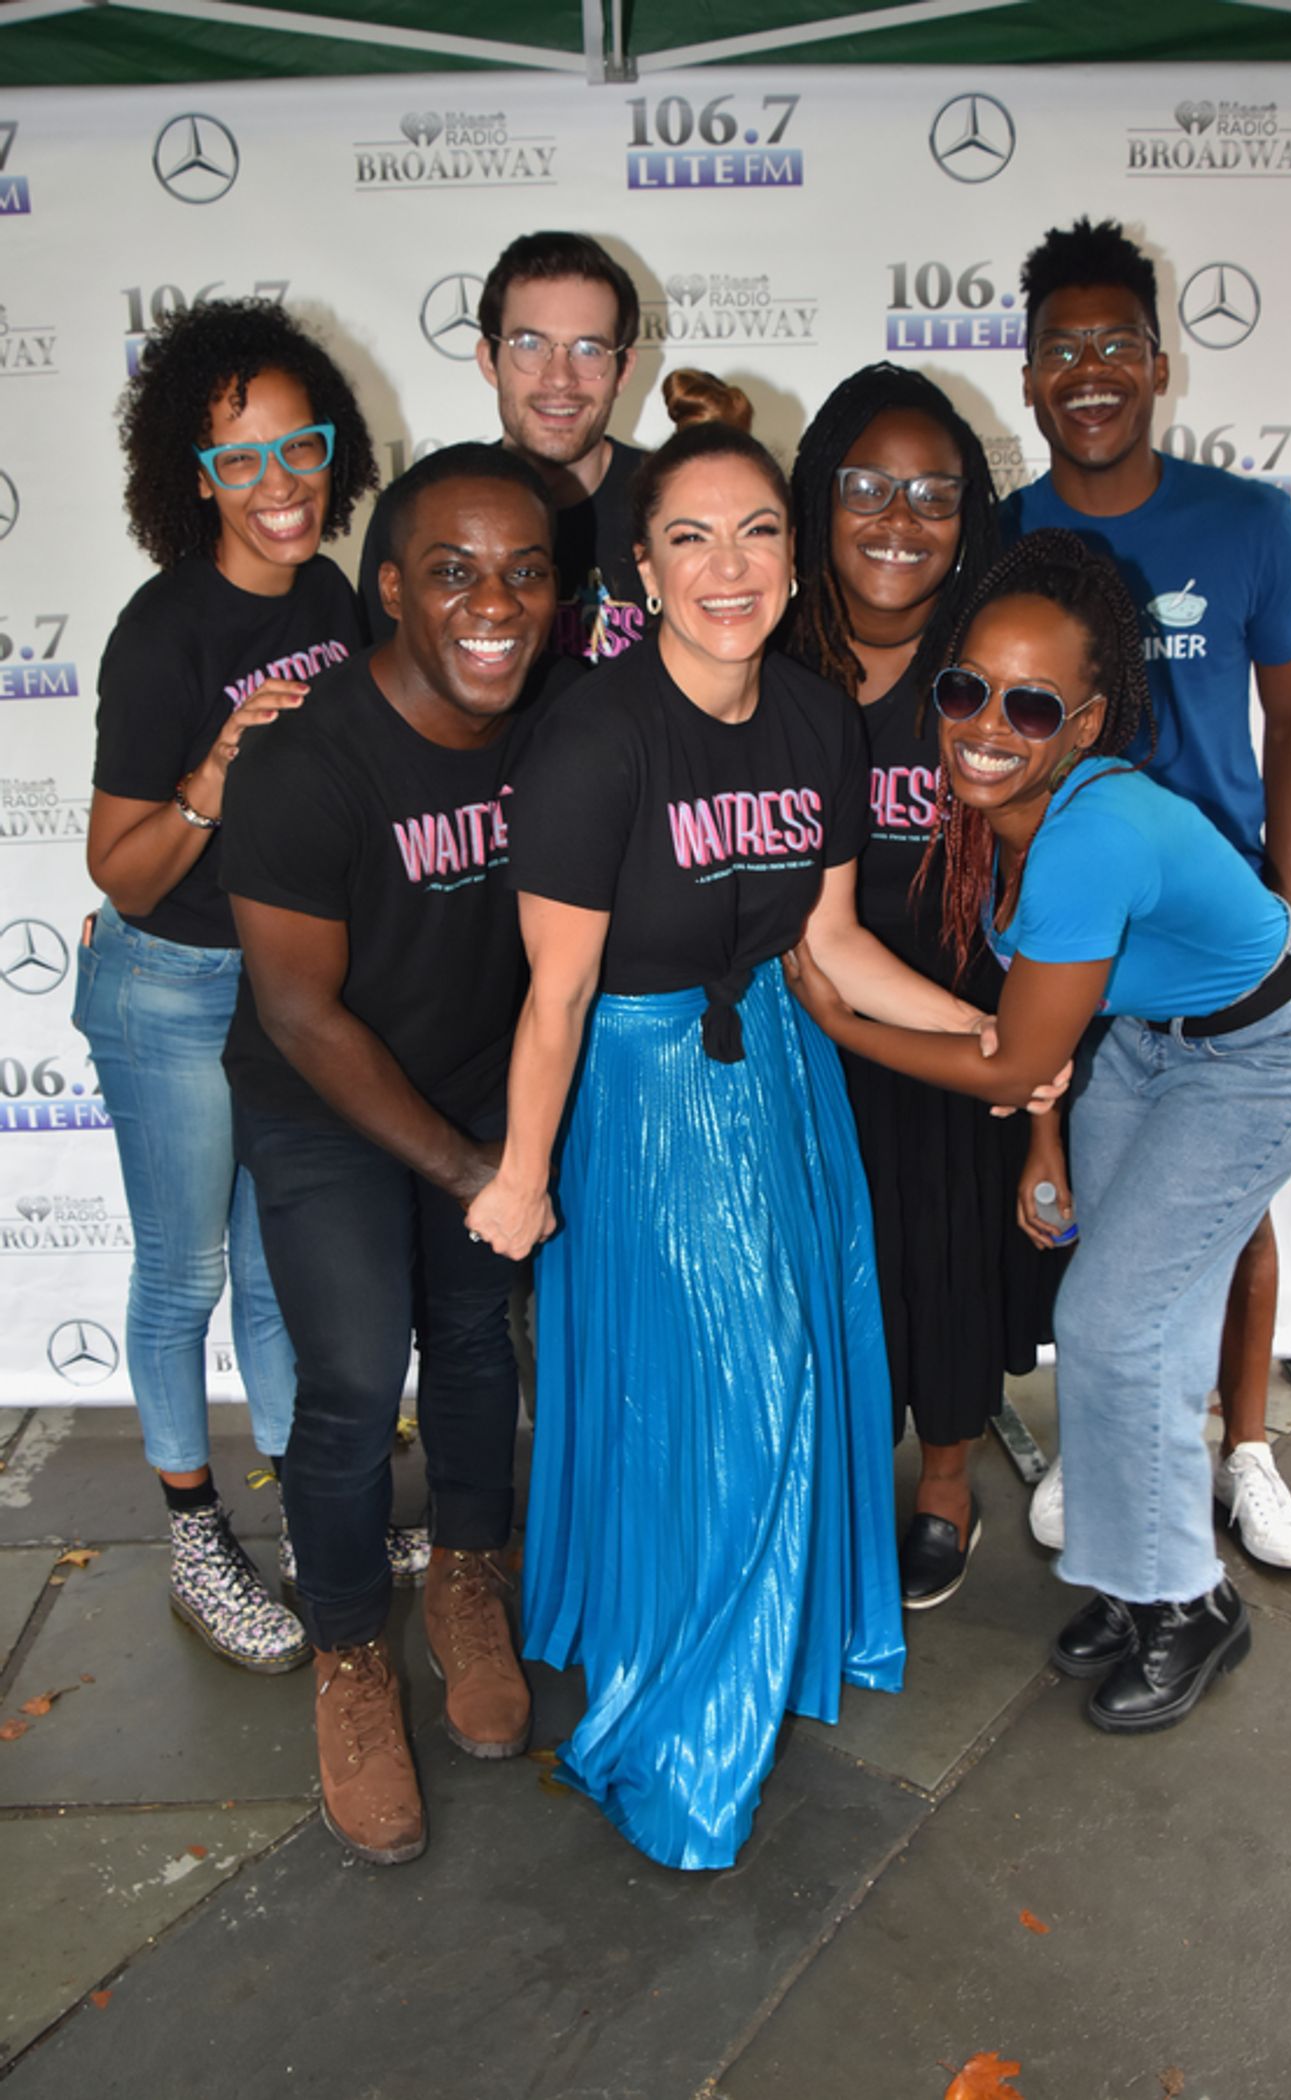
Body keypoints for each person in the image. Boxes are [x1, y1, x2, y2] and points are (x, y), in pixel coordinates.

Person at [463, 373, 1031, 1870]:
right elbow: (557, 999)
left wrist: (980, 1028)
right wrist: (522, 1176)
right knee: (741, 1387)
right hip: (645, 1104)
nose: (733, 568)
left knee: (792, 1368)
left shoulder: (814, 722)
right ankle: (686, 1705)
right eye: (694, 538)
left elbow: (831, 946)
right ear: (641, 571)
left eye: (761, 531)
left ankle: (756, 1632)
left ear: (793, 553)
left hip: (780, 1082)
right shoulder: (593, 742)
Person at [786, 530, 1291, 1735]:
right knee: (1108, 1318)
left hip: (1265, 1050)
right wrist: (1043, 1149)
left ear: (1087, 725)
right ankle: (1126, 1577)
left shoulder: (1089, 830)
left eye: (1030, 704)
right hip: (1151, 1042)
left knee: (1112, 1319)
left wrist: (833, 1014)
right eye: (963, 689)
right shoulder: (989, 804)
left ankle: (1189, 1605)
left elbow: (1015, 1053)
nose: (984, 723)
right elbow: (1044, 1029)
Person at [221, 445, 575, 1865]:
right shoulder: (307, 765)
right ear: (388, 592)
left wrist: (510, 1149)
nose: (493, 603)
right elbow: (302, 1015)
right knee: (362, 1376)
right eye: (452, 572)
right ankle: (353, 1655)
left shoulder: (558, 725)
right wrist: (474, 1175)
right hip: (326, 1102)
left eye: (524, 570)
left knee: (479, 1338)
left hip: (481, 1086)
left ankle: (469, 1580)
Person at [1003, 217, 1291, 1570]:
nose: (1090, 371)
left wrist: (1285, 894)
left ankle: (1243, 1447)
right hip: (1076, 944)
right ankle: (1111, 1438)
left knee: (1228, 1206)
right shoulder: (1009, 532)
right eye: (1060, 349)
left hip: (1209, 945)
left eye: (1114, 344)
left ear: (1157, 363)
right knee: (1090, 1200)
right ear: (1027, 376)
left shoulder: (1249, 523)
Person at [74, 298, 377, 1674]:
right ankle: (195, 1535)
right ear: (196, 478)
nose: (280, 485)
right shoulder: (162, 635)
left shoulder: (329, 595)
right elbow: (123, 873)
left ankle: (313, 1524)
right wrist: (209, 778)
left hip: (277, 990)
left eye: (298, 449)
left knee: (273, 1272)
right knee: (186, 1269)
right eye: (243, 461)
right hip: (170, 985)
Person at [787, 362, 1062, 1610]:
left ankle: (945, 1479)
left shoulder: (987, 665)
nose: (897, 520)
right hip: (800, 1040)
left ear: (970, 517)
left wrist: (1038, 1089)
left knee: (948, 1264)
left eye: (932, 493)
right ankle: (830, 1469)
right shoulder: (767, 655)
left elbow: (1057, 875)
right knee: (819, 1279)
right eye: (865, 487)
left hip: (963, 1042)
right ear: (817, 500)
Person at [359, 231, 646, 666]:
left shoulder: (674, 508)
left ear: (623, 370)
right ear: (488, 360)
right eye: (530, 345)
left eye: (589, 349)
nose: (560, 378)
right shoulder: (424, 512)